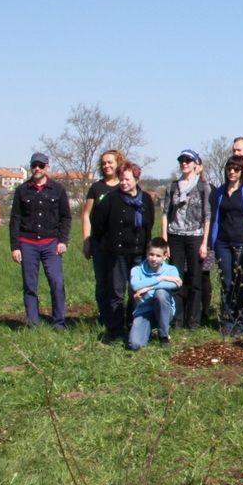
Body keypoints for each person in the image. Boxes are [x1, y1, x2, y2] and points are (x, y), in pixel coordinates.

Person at [90, 161, 158, 341]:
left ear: (136, 179)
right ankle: (116, 329)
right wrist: (107, 243)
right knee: (117, 292)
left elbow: (148, 224)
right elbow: (98, 223)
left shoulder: (145, 200)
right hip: (117, 254)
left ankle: (133, 325)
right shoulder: (111, 199)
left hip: (138, 253)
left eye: (127, 179)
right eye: (121, 179)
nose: (123, 183)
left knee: (136, 292)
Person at [8, 152, 73, 330]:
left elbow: (66, 217)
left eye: (41, 165)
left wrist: (63, 241)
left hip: (51, 243)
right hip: (27, 243)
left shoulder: (58, 190)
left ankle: (59, 322)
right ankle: (33, 322)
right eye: (34, 165)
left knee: (56, 282)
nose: (37, 168)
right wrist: (15, 247)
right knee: (30, 285)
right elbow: (15, 219)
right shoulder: (22, 190)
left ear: (47, 167)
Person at [162, 149, 211, 330]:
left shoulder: (202, 187)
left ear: (195, 164)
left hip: (195, 237)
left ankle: (194, 320)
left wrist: (204, 242)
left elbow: (207, 216)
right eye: (182, 160)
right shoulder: (172, 187)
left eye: (188, 160)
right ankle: (177, 319)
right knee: (176, 279)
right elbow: (165, 214)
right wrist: (165, 240)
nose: (184, 163)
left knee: (195, 280)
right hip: (175, 237)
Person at [209, 155, 243, 332]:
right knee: (226, 282)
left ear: (242, 171)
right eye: (229, 168)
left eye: (236, 169)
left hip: (242, 242)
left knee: (241, 282)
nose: (232, 172)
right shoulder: (220, 191)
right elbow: (215, 218)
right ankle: (227, 322)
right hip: (222, 243)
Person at [81, 149, 125, 329]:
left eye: (110, 162)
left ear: (118, 163)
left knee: (118, 283)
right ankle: (104, 317)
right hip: (99, 243)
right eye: (103, 163)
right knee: (102, 282)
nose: (106, 166)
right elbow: (86, 215)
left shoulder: (124, 186)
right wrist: (86, 241)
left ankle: (120, 317)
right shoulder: (96, 188)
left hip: (120, 245)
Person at [126, 237, 181, 350]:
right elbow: (135, 285)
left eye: (158, 256)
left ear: (165, 256)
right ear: (146, 253)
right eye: (151, 254)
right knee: (135, 345)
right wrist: (161, 278)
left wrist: (148, 288)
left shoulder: (171, 269)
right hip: (144, 311)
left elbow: (177, 283)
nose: (154, 258)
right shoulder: (137, 270)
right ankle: (146, 330)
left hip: (164, 311)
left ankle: (163, 335)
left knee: (160, 293)